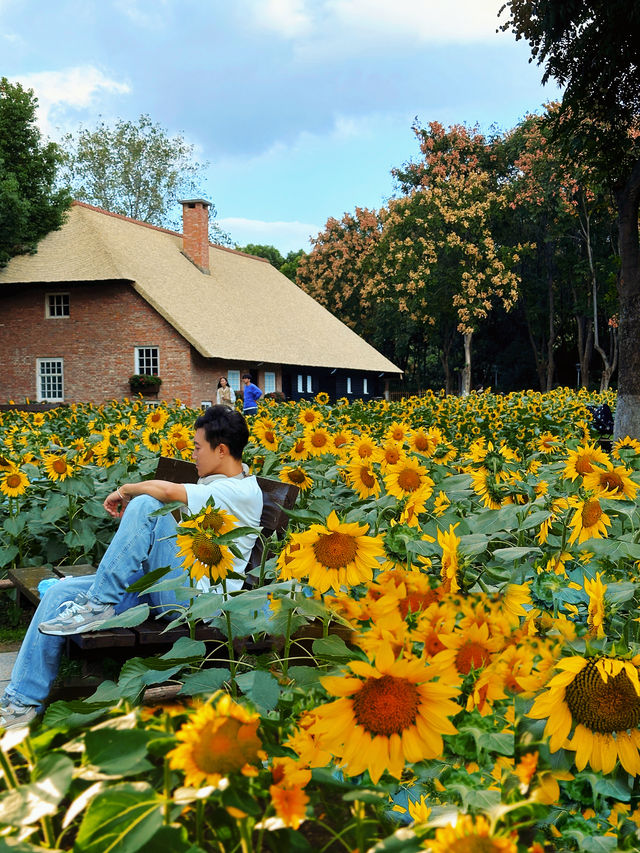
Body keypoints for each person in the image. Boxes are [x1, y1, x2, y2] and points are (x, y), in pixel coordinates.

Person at [0, 406, 263, 730]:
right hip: (169, 585)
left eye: (197, 447)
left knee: (146, 503)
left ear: (221, 450)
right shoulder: (218, 481)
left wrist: (125, 491)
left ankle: (99, 603)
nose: (192, 454)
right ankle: (21, 703)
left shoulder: (240, 491)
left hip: (195, 602)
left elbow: (165, 493)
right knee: (60, 593)